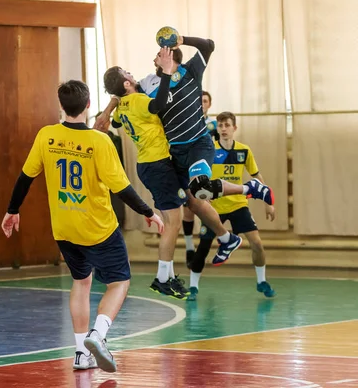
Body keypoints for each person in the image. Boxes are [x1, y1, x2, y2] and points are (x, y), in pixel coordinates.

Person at [1, 80, 164, 373]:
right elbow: (122, 187)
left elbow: (25, 177)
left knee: (81, 282)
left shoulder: (46, 135)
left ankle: (80, 354)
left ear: (60, 106)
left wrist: (13, 210)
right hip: (98, 227)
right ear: (89, 106)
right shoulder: (99, 142)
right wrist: (148, 212)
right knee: (119, 282)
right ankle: (97, 335)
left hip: (64, 227)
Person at [98, 33, 274, 266]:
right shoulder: (148, 82)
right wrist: (111, 106)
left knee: (200, 187)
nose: (155, 58)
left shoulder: (190, 71)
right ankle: (227, 237)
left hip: (199, 143)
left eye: (160, 54)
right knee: (196, 199)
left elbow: (209, 45)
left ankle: (250, 189)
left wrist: (182, 38)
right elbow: (124, 95)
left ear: (170, 56)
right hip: (175, 152)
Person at [100, 67, 189, 299]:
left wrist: (113, 104)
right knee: (174, 222)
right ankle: (161, 279)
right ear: (127, 84)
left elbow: (117, 124)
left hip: (147, 165)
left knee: (171, 222)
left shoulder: (122, 106)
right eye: (127, 73)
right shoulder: (138, 99)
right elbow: (157, 105)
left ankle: (167, 276)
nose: (131, 73)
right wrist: (167, 75)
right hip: (157, 164)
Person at [187, 111, 276, 300]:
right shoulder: (209, 150)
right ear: (216, 128)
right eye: (220, 125)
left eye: (227, 125)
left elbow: (256, 176)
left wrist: (268, 202)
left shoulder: (244, 151)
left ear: (234, 128)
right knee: (203, 247)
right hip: (214, 207)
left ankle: (261, 281)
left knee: (257, 243)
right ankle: (193, 287)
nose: (224, 129)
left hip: (238, 205)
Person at [182, 90, 218, 267]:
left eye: (205, 101)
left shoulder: (214, 124)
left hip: (206, 171)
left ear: (209, 104)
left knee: (205, 209)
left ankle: (202, 254)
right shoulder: (187, 122)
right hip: (188, 169)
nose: (202, 104)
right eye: (200, 101)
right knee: (188, 209)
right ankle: (189, 248)